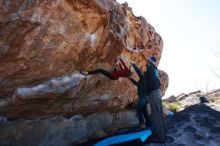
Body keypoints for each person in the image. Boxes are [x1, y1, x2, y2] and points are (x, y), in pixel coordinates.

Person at [145, 56, 167, 142]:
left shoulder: (149, 69)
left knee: (156, 115)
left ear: (149, 62)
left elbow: (148, 82)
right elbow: (158, 82)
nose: (146, 63)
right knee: (160, 114)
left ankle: (161, 138)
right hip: (158, 92)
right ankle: (165, 132)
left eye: (147, 61)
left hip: (153, 93)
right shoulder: (155, 70)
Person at [129, 63, 150, 129]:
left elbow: (139, 72)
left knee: (138, 108)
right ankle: (148, 122)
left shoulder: (143, 78)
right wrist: (130, 78)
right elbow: (136, 83)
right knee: (144, 110)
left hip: (143, 97)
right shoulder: (142, 80)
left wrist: (134, 65)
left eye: (144, 73)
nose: (143, 73)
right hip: (145, 97)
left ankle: (142, 124)